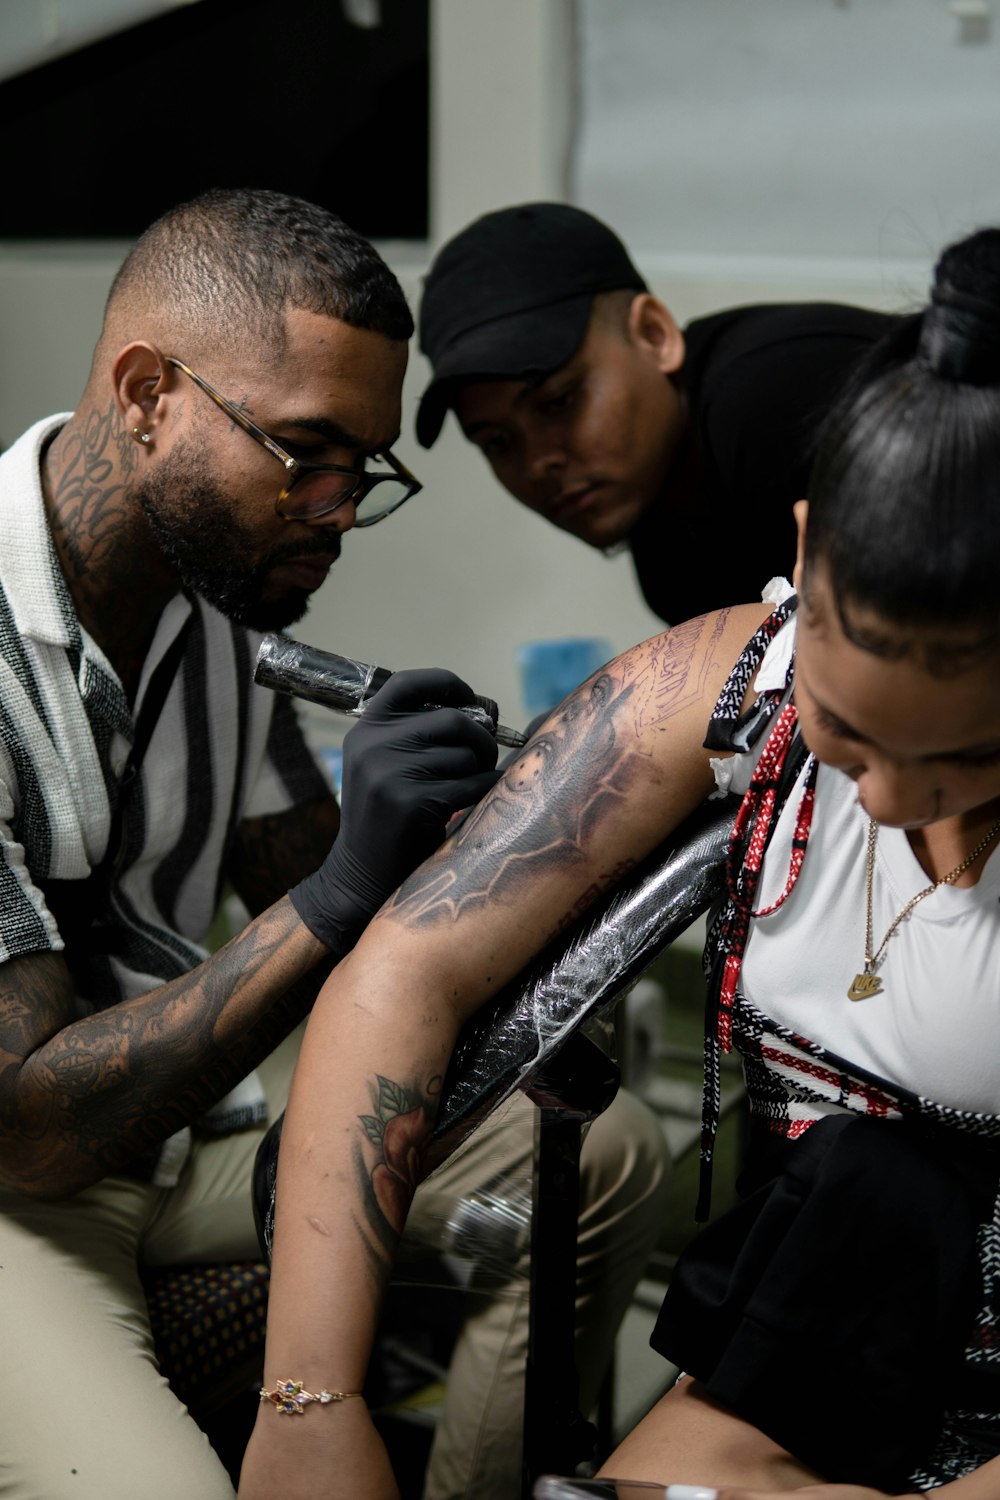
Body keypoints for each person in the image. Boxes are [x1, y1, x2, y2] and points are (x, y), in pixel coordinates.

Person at [239, 220, 1000, 1500]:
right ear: (800, 556)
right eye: (849, 734)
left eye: (970, 760)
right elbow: (402, 978)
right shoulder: (717, 683)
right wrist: (308, 1404)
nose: (891, 801)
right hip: (826, 1319)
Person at [0, 187, 669, 1500]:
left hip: (174, 1145)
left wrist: (467, 824)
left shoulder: (210, 604)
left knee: (594, 1147)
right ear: (148, 395)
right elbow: (26, 1133)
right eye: (303, 450)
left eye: (362, 463)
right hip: (20, 1190)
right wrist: (346, 878)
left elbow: (316, 871)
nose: (336, 508)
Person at [415, 201, 899, 626]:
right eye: (497, 441)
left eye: (559, 402)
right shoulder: (667, 556)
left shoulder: (776, 396)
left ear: (653, 334)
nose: (538, 463)